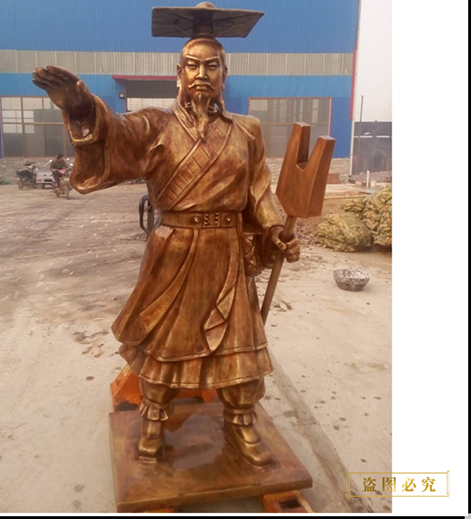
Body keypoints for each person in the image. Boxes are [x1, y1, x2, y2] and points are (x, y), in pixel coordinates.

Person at [32, 35, 300, 468]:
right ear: (178, 74)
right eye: (192, 65)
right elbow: (115, 132)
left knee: (238, 344)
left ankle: (241, 421)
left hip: (228, 251)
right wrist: (81, 108)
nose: (201, 74)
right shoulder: (156, 125)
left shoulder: (246, 130)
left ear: (225, 74)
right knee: (165, 344)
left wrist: (273, 227)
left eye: (211, 66)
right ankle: (154, 421)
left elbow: (259, 189)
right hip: (174, 250)